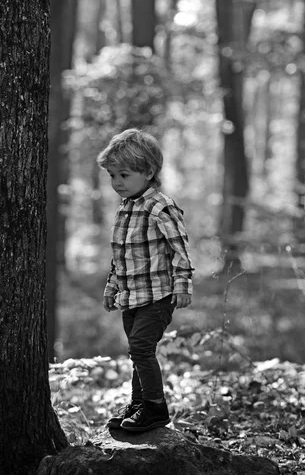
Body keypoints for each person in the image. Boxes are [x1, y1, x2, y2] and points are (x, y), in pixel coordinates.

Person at [97, 128, 194, 433]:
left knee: (140, 347)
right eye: (112, 176)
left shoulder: (159, 206)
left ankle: (155, 407)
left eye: (123, 175)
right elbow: (121, 257)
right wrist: (112, 288)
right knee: (138, 351)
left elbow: (180, 249)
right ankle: (138, 403)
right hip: (131, 297)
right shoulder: (125, 209)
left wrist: (182, 286)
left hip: (158, 296)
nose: (116, 183)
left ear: (149, 171)